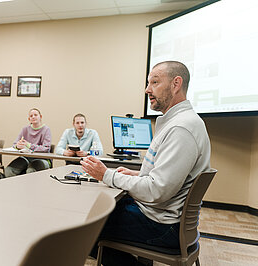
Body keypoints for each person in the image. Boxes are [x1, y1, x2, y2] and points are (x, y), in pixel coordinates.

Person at [81, 61, 211, 266]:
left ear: (176, 84)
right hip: (162, 218)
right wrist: (135, 176)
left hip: (163, 227)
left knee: (84, 226)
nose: (147, 89)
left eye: (155, 82)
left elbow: (156, 191)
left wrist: (107, 175)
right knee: (100, 208)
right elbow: (162, 180)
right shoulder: (179, 123)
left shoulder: (181, 129)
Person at [4, 108, 52, 177]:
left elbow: (46, 148)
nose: (33, 117)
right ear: (29, 119)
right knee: (9, 170)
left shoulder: (46, 130)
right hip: (25, 158)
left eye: (35, 115)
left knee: (30, 171)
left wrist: (29, 145)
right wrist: (17, 146)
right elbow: (15, 144)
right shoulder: (25, 129)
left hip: (42, 159)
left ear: (40, 117)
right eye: (31, 116)